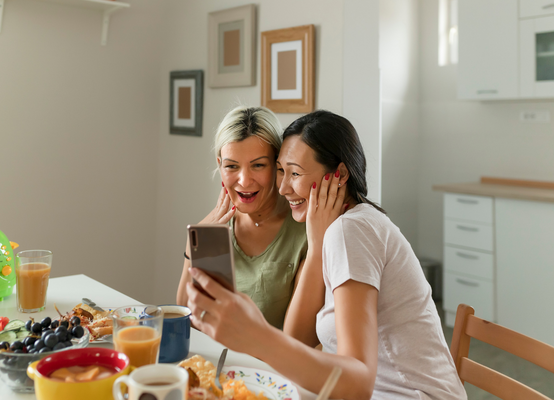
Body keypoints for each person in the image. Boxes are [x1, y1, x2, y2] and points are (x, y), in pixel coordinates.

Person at [185, 110, 467, 400]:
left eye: (294, 173)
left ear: (340, 175)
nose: (282, 188)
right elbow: (298, 341)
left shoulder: (351, 230)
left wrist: (256, 334)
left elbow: (358, 384)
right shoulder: (339, 230)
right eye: (281, 171)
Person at [176, 106, 309, 330]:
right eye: (231, 166)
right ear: (219, 164)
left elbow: (299, 338)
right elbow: (187, 320)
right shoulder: (212, 229)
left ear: (278, 163)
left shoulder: (304, 230)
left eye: (258, 165)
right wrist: (194, 246)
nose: (245, 181)